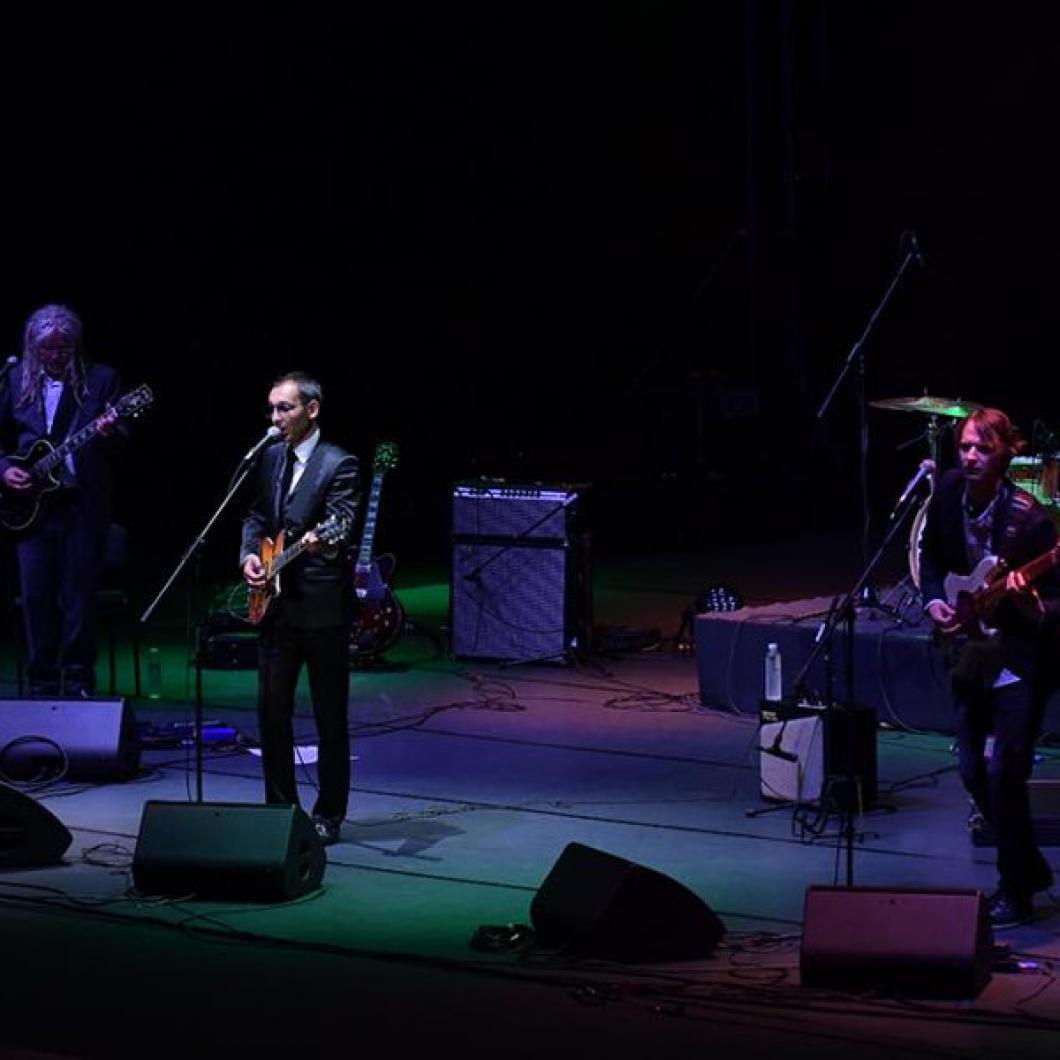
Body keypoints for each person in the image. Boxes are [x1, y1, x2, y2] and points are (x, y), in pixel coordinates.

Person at [919, 407, 1060, 927]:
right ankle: (1030, 869)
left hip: (1022, 657)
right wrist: (935, 602)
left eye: (982, 448)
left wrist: (1031, 604)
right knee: (971, 770)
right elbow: (931, 561)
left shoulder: (1032, 519)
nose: (971, 456)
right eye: (964, 447)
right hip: (972, 650)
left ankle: (1015, 889)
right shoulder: (947, 496)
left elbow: (1055, 604)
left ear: (1005, 453)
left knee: (1006, 773)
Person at [241, 371, 360, 845]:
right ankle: (279, 810)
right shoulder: (269, 457)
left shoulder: (340, 463)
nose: (276, 418)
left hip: (322, 610)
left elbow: (342, 525)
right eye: (271, 408)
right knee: (271, 712)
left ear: (311, 409)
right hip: (273, 607)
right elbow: (255, 515)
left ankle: (329, 814)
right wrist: (251, 555)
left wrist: (316, 542)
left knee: (330, 716)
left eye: (285, 408)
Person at [0, 304, 126, 698]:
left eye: (63, 349)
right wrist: (4, 469)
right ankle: (40, 683)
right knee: (35, 598)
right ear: (33, 348)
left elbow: (124, 437)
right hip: (30, 510)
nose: (56, 357)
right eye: (48, 350)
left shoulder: (101, 379)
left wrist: (109, 433)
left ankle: (77, 682)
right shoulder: (15, 377)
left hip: (82, 506)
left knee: (78, 597)